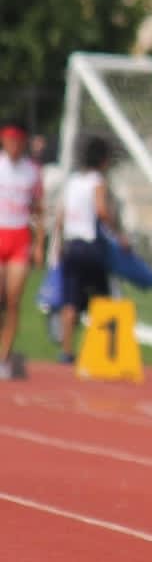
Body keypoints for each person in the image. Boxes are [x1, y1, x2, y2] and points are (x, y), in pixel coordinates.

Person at [56, 134, 115, 365]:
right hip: (90, 247)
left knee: (70, 301)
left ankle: (66, 350)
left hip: (70, 246)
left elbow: (61, 216)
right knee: (102, 298)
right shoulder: (97, 181)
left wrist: (58, 245)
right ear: (103, 160)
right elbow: (101, 210)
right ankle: (101, 351)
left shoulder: (72, 181)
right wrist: (117, 233)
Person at [0, 117, 44, 379]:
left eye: (19, 142)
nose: (14, 146)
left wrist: (39, 244)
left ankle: (4, 356)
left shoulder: (32, 171)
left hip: (20, 238)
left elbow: (39, 210)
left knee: (14, 300)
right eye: (10, 141)